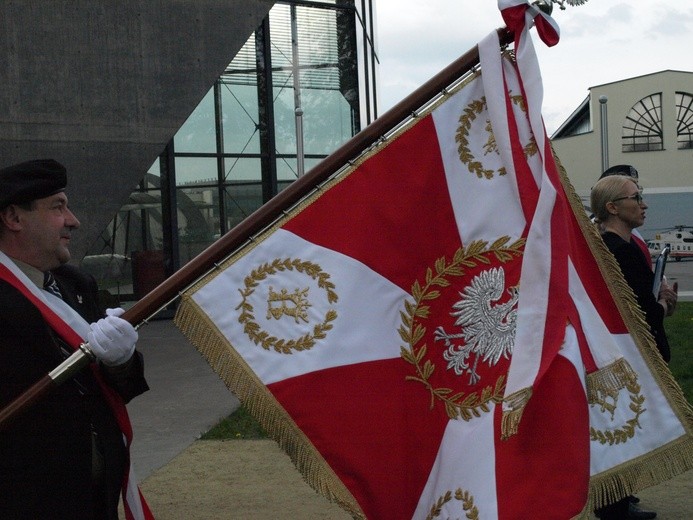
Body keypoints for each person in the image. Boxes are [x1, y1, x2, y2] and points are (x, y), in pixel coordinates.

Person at [0, 159, 150, 519]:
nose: (73, 220)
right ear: (14, 218)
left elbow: (122, 389)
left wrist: (121, 359)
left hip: (96, 497)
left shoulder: (76, 285)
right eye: (57, 207)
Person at [590, 174, 678, 520]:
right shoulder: (621, 252)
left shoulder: (608, 247)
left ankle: (618, 500)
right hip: (631, 356)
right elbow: (640, 314)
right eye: (635, 197)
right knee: (626, 428)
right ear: (612, 207)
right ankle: (614, 506)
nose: (643, 203)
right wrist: (663, 303)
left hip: (618, 354)